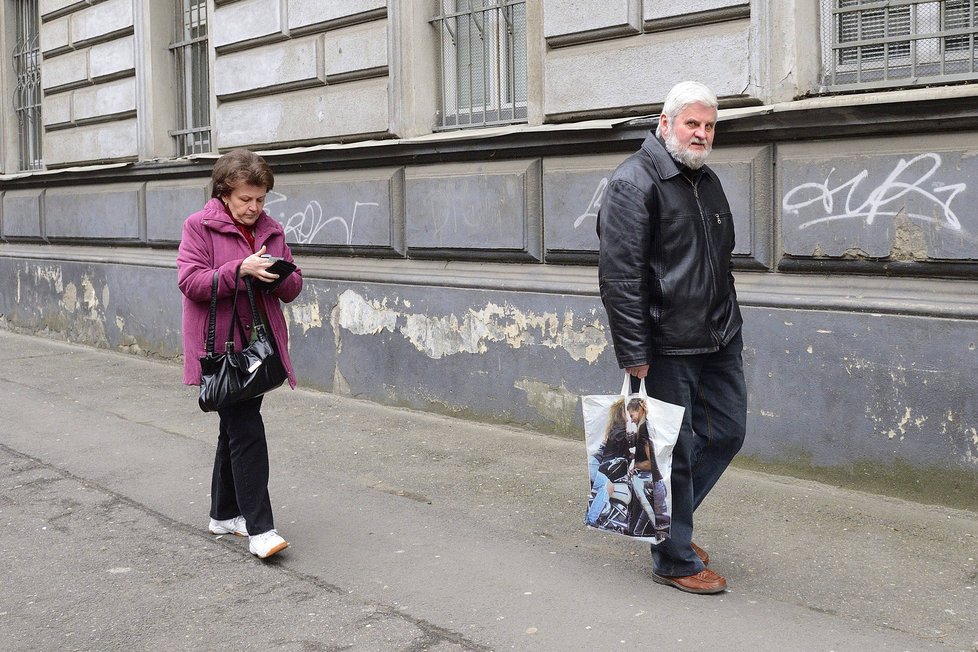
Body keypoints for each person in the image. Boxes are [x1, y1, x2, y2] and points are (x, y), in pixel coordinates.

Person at [596, 81, 746, 594]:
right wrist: (635, 350)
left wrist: (728, 319)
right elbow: (620, 276)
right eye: (692, 124)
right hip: (667, 343)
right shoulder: (634, 183)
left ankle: (670, 524)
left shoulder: (705, 180)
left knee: (726, 432)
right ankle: (674, 558)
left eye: (709, 126)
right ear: (665, 123)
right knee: (671, 451)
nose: (702, 134)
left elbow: (720, 259)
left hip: (719, 336)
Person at [177, 149, 303, 560]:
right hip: (222, 351)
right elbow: (191, 281)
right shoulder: (199, 226)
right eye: (246, 199)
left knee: (232, 428)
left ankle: (223, 513)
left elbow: (293, 285)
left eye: (261, 199)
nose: (254, 207)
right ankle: (261, 529)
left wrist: (280, 277)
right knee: (247, 430)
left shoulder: (272, 229)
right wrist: (239, 271)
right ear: (225, 193)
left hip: (257, 349)